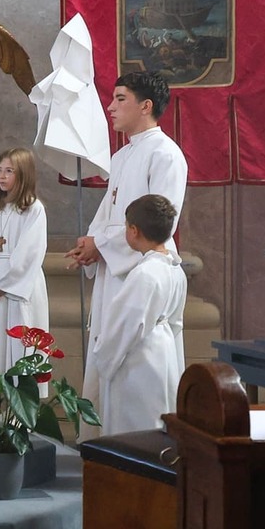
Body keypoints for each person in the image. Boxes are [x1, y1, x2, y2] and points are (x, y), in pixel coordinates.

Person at [65, 71, 187, 438]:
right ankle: (102, 450)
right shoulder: (121, 157)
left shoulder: (165, 154)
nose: (110, 106)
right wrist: (91, 243)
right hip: (114, 274)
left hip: (139, 272)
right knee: (108, 372)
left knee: (133, 381)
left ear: (146, 106)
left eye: (120, 99)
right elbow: (109, 213)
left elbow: (162, 219)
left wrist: (101, 245)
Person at [89, 194, 186, 435]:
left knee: (135, 428)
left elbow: (124, 327)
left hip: (139, 361)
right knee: (159, 423)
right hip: (164, 353)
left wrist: (103, 355)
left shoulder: (144, 274)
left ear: (134, 231)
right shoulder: (176, 270)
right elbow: (176, 322)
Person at [0, 147, 49, 374]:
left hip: (19, 289)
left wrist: (3, 285)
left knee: (21, 347)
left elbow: (30, 253)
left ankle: (21, 394)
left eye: (9, 171)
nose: (2, 176)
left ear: (24, 174)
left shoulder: (33, 209)